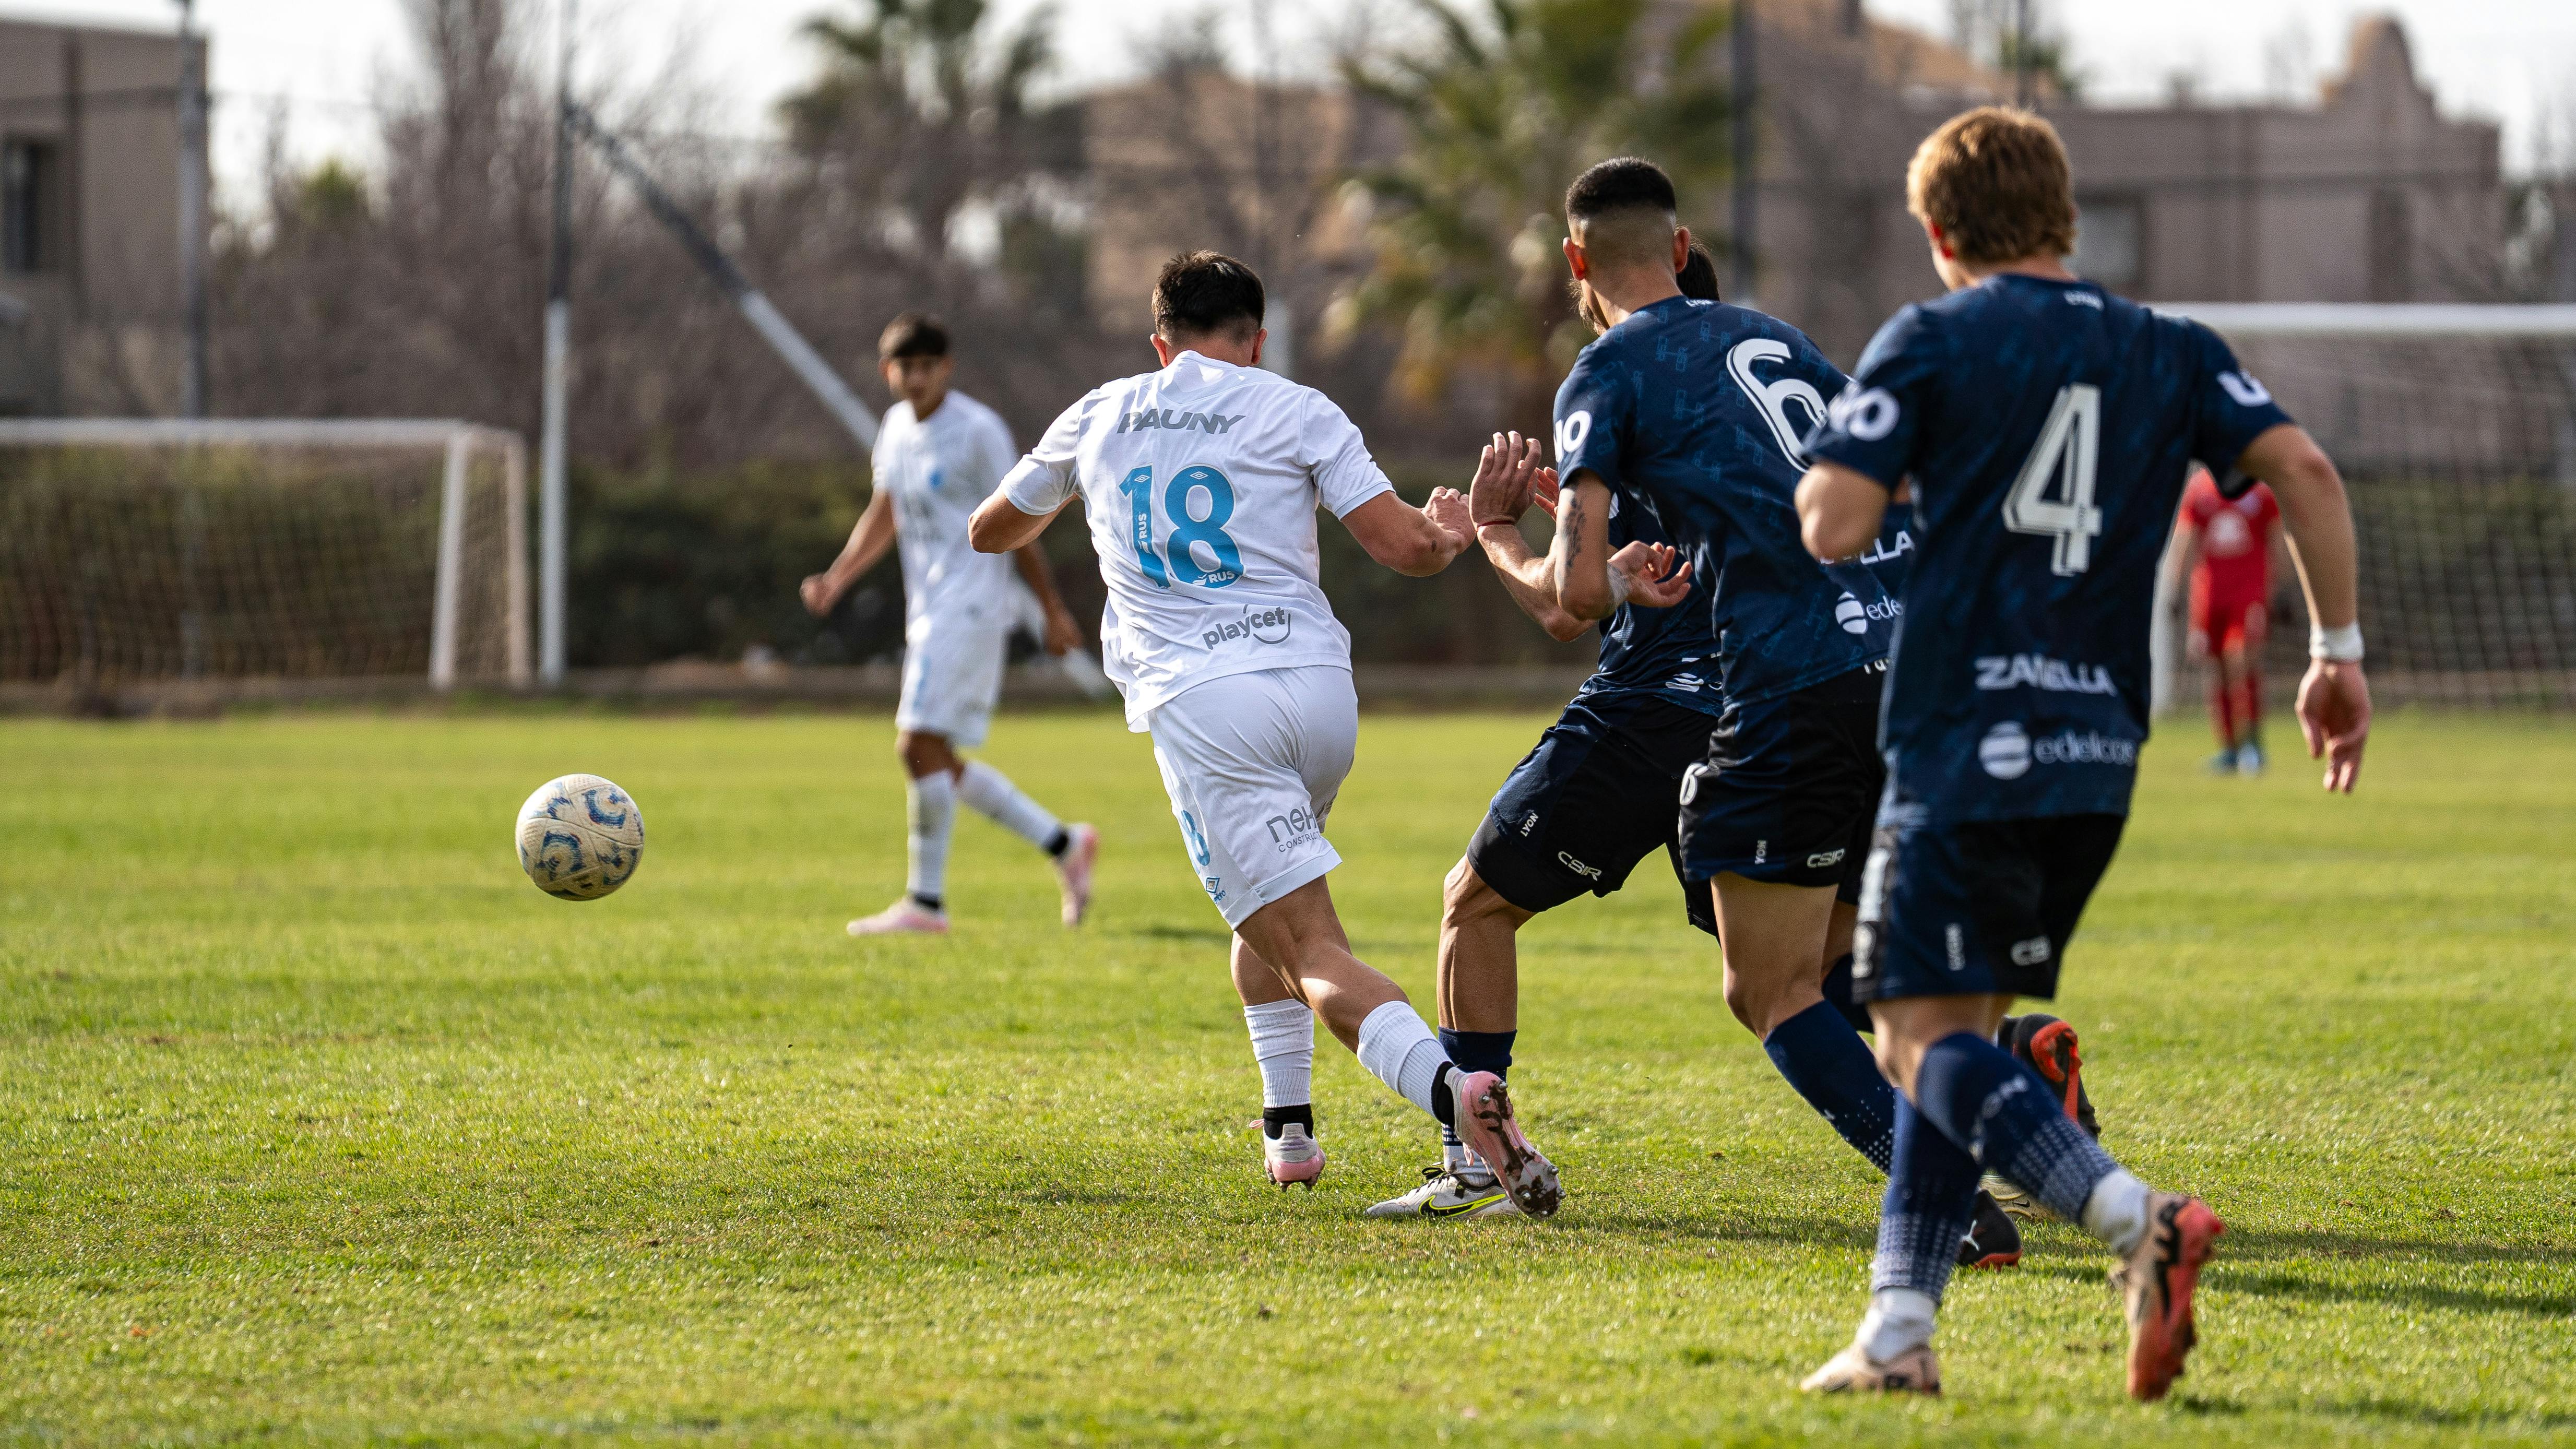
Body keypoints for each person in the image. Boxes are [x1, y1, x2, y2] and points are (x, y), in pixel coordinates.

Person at [1792, 105, 2369, 1400]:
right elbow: (2307, 470)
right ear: (2063, 213)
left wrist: (1845, 474)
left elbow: (1831, 521)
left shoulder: (1935, 336)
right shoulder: (2167, 347)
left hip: (1961, 735)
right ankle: (1898, 1328)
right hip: (2097, 750)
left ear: (1938, 232)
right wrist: (2339, 652)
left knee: (1906, 1038)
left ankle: (2132, 1217)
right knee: (1968, 1031)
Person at [965, 251, 1563, 1218]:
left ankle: (1461, 1101)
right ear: (1257, 338)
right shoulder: (1298, 406)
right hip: (1320, 694)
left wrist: (1075, 490)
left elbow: (989, 531)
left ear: (1160, 342)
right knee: (1263, 920)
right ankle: (1289, 1132)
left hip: (1208, 707)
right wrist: (1453, 528)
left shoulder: (1103, 409)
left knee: (1307, 944)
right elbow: (1408, 548)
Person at [801, 313, 1099, 937]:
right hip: (929, 609)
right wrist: (838, 576)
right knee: (935, 755)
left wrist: (1050, 608)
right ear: (889, 373)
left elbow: (1023, 520)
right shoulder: (894, 429)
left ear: (947, 368)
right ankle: (1064, 843)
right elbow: (886, 512)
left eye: (926, 367)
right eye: (904, 368)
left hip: (972, 606)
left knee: (916, 745)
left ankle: (926, 905)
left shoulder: (978, 430)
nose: (915, 379)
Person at [2172, 465, 2286, 774]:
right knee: (2215, 669)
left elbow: (2277, 540)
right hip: (2208, 596)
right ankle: (2229, 749)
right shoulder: (2199, 488)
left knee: (2243, 661)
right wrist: (2174, 589)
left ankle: (2253, 745)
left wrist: (2281, 591)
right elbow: (2185, 539)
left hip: (2249, 595)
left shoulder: (2260, 491)